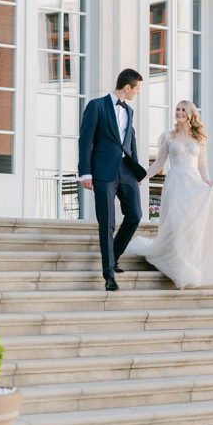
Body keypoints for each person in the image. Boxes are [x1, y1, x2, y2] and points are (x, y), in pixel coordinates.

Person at [128, 100, 213, 288]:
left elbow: (202, 164)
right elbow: (159, 163)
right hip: (175, 183)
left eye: (183, 110)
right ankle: (179, 268)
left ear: (190, 114)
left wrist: (207, 181)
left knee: (191, 225)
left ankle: (190, 264)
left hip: (193, 183)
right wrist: (142, 177)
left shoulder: (199, 138)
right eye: (177, 109)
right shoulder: (168, 136)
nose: (179, 112)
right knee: (178, 224)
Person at [78, 68, 143, 291]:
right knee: (107, 223)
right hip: (103, 172)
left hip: (127, 171)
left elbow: (131, 140)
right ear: (127, 87)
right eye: (136, 89)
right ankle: (109, 275)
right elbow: (85, 140)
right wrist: (85, 173)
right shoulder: (96, 106)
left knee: (135, 215)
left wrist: (136, 170)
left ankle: (113, 256)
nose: (137, 93)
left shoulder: (129, 110)